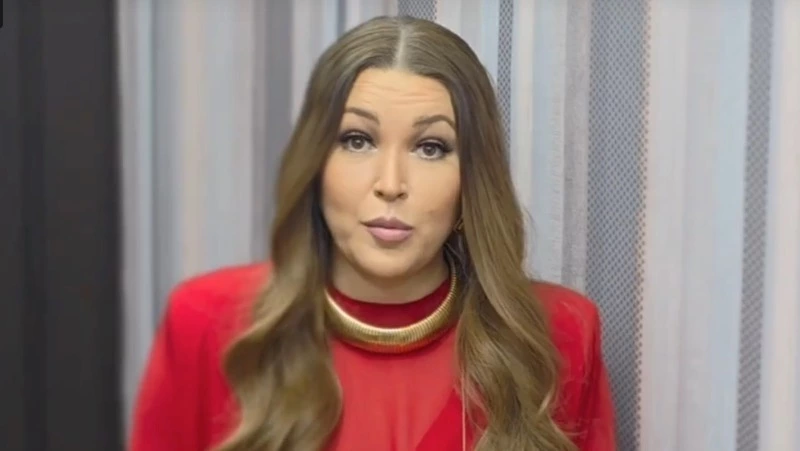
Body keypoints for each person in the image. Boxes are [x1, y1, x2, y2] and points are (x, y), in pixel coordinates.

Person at [130, 15, 616, 451]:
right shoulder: (208, 323)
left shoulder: (558, 334)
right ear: (315, 165)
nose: (390, 183)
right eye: (357, 140)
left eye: (431, 147)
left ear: (472, 181)